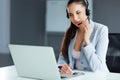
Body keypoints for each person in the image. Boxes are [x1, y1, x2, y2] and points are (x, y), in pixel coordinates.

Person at [58, 0, 109, 75]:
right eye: (71, 14)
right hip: (76, 77)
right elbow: (62, 58)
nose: (75, 18)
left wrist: (87, 41)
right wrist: (63, 67)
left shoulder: (101, 30)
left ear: (86, 11)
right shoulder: (70, 32)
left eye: (78, 13)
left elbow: (99, 68)